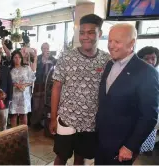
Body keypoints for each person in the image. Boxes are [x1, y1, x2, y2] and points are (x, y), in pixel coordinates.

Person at [50, 14, 110, 165]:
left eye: (91, 32)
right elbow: (56, 87)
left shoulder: (106, 59)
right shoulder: (66, 57)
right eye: (82, 33)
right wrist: (53, 117)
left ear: (100, 34)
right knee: (61, 157)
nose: (85, 37)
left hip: (90, 122)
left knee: (80, 157)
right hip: (66, 119)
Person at [95, 23, 159, 165]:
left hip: (122, 146)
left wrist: (130, 146)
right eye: (110, 41)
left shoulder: (147, 72)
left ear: (132, 43)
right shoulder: (109, 64)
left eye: (117, 42)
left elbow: (149, 116)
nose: (111, 46)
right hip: (101, 140)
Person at [137, 46, 159, 154]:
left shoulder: (156, 75)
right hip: (135, 118)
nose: (150, 62)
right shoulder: (135, 75)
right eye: (147, 58)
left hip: (150, 118)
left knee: (141, 149)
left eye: (153, 58)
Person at [31, 42, 57, 128]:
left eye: (47, 48)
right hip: (38, 84)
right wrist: (43, 62)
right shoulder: (37, 58)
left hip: (48, 85)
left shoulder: (53, 59)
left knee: (44, 104)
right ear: (41, 49)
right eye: (44, 48)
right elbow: (35, 72)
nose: (46, 50)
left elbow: (56, 70)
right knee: (36, 104)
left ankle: (43, 122)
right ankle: (34, 122)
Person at [9, 50, 36, 127]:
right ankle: (13, 134)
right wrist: (16, 85)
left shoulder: (26, 68)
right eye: (15, 57)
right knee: (13, 115)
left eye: (19, 57)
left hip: (24, 94)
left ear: (21, 59)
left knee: (23, 115)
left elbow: (32, 79)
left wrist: (24, 85)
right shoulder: (10, 69)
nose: (17, 59)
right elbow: (8, 82)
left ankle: (23, 134)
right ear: (12, 59)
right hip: (14, 94)